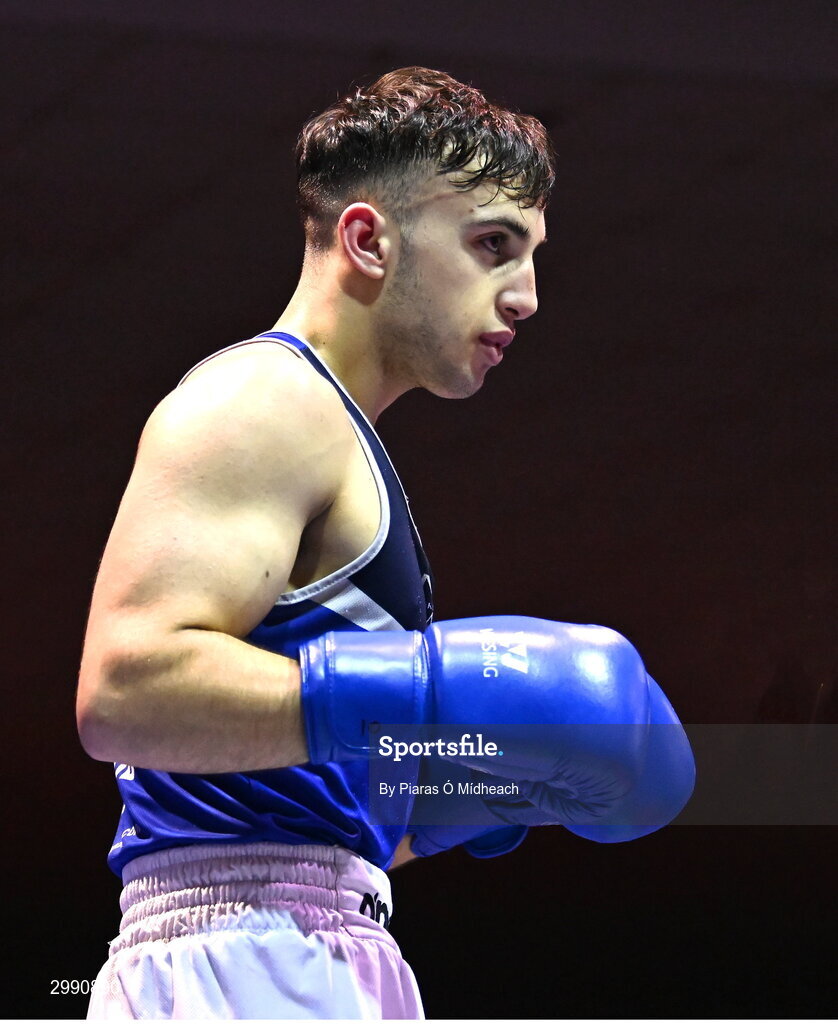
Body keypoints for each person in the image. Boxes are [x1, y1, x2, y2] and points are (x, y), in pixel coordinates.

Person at [77, 66, 695, 1020]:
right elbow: (123, 690)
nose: (526, 295)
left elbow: (292, 787)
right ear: (369, 240)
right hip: (242, 954)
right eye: (492, 245)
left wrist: (462, 794)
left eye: (531, 256)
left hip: (310, 940)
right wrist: (421, 693)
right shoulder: (263, 402)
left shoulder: (338, 442)